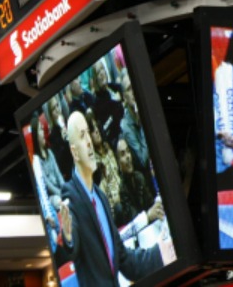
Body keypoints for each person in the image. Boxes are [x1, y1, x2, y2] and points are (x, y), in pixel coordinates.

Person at [60, 112, 175, 286]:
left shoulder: (101, 198)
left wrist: (159, 254)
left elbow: (125, 260)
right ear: (74, 153)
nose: (90, 142)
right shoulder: (71, 194)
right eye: (83, 136)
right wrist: (68, 237)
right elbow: (72, 243)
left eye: (88, 133)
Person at [114, 137, 164, 228]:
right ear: (118, 163)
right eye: (123, 154)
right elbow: (134, 220)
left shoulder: (139, 177)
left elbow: (151, 203)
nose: (128, 156)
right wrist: (149, 214)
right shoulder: (123, 190)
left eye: (128, 151)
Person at [86, 112, 122, 210]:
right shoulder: (94, 163)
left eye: (96, 127)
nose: (97, 130)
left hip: (125, 193)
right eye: (93, 130)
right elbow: (104, 193)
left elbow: (119, 172)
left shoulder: (108, 148)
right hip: (115, 205)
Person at [31, 114, 65, 210]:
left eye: (42, 128)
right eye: (40, 130)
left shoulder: (49, 152)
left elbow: (58, 174)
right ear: (35, 135)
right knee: (59, 201)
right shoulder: (37, 161)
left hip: (60, 190)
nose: (43, 132)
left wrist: (65, 189)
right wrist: (62, 194)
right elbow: (48, 185)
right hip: (52, 196)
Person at [90, 58, 125, 147]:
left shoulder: (113, 87)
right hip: (117, 138)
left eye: (102, 69)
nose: (101, 73)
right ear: (95, 79)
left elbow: (123, 90)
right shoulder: (98, 102)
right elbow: (111, 124)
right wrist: (118, 102)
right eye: (98, 73)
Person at [119, 76, 149, 172]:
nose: (133, 92)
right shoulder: (126, 126)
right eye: (129, 89)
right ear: (124, 97)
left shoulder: (144, 104)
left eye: (133, 87)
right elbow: (143, 160)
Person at [47, 95, 74, 181]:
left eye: (57, 105)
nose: (57, 110)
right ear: (51, 115)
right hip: (71, 170)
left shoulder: (69, 122)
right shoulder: (53, 137)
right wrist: (65, 141)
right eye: (54, 109)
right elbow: (61, 163)